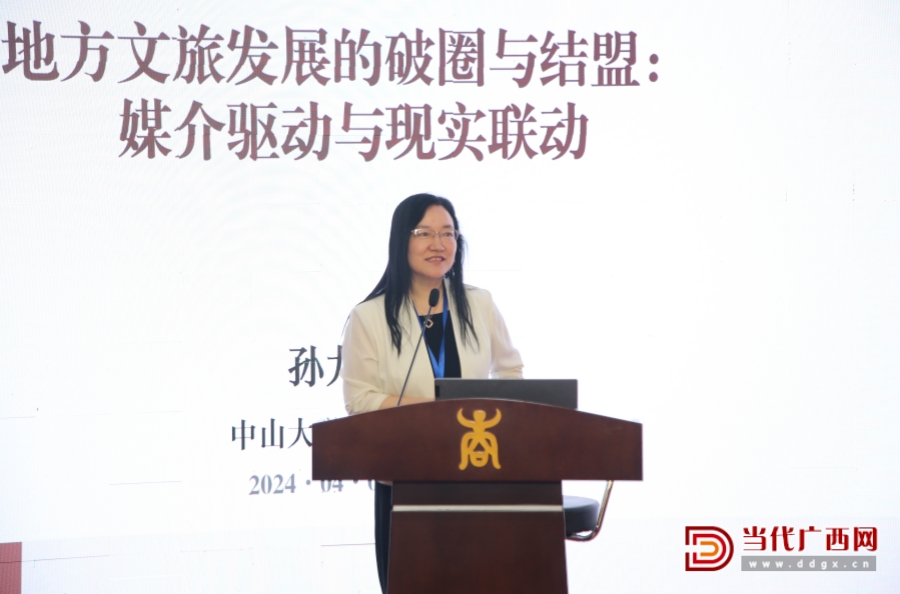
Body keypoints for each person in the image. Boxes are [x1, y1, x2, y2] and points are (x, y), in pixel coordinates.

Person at [340, 193, 523, 593]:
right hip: (406, 476)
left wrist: (499, 417)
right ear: (400, 241)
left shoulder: (479, 303)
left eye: (448, 233)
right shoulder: (369, 317)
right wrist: (436, 412)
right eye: (424, 233)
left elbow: (510, 370)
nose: (438, 244)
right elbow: (360, 400)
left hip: (479, 472)